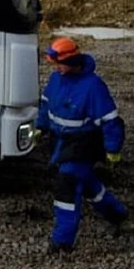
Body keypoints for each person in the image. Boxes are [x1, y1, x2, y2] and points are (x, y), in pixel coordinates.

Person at [36, 37, 129, 254]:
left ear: (72, 60)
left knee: (66, 188)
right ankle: (119, 215)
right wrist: (40, 126)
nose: (56, 67)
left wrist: (113, 149)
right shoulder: (57, 79)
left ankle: (62, 242)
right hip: (61, 143)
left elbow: (110, 120)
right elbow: (46, 104)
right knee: (88, 185)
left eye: (58, 63)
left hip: (83, 144)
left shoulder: (93, 86)